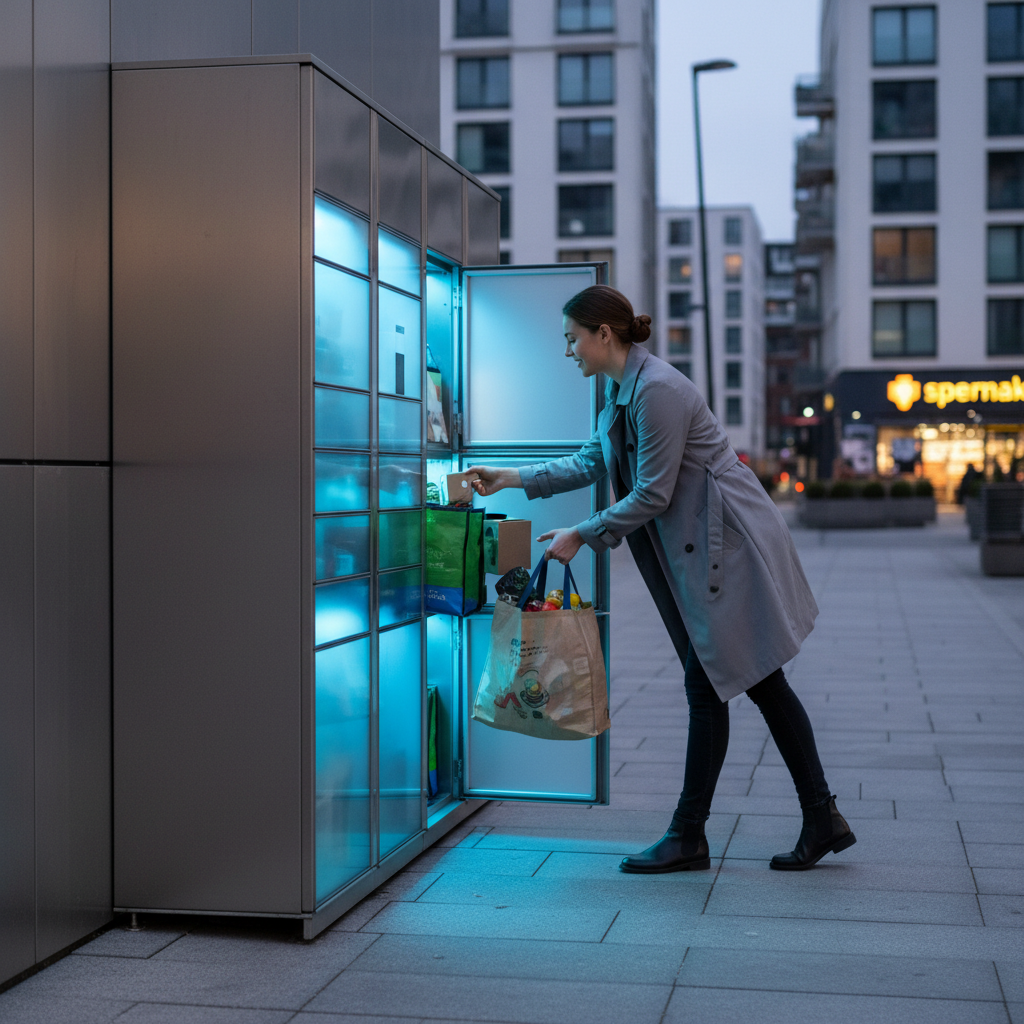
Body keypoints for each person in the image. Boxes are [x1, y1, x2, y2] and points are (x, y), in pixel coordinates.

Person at [468, 285, 855, 873]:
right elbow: (591, 461)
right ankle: (811, 817)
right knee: (752, 683)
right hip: (704, 549)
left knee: (722, 685)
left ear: (604, 334)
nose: (568, 351)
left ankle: (693, 834)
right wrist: (510, 477)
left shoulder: (658, 391)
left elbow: (653, 492)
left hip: (727, 549)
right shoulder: (622, 391)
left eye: (573, 339)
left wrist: (583, 533)